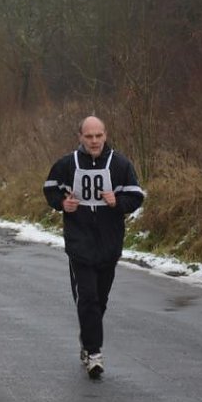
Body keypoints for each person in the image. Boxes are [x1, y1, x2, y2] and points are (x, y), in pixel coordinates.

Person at [43, 116, 144, 379]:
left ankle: (87, 341)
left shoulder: (120, 165)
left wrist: (117, 201)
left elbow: (136, 197)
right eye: (89, 136)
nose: (94, 141)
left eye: (98, 135)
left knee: (100, 300)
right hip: (79, 242)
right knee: (87, 297)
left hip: (109, 243)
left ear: (105, 135)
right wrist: (61, 204)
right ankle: (94, 353)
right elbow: (50, 189)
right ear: (80, 137)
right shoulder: (67, 164)